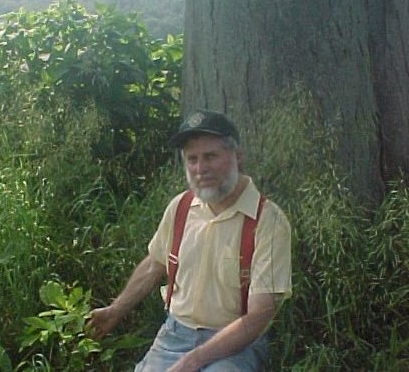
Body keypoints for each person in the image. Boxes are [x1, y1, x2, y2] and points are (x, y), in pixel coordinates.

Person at [86, 109, 292, 371]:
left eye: (210, 156)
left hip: (235, 344)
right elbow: (154, 265)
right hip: (175, 335)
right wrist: (115, 311)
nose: (200, 168)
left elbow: (258, 317)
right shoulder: (181, 207)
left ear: (238, 157)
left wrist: (192, 361)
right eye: (191, 159)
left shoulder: (268, 221)